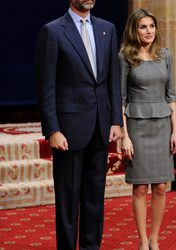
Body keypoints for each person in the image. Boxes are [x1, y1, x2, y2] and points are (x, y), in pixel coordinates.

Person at [35, 0, 122, 249]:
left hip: (100, 126)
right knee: (68, 200)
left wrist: (116, 119)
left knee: (95, 197)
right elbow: (46, 86)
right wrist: (52, 129)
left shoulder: (108, 28)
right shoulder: (52, 31)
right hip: (68, 131)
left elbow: (112, 80)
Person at [118, 8, 176, 250]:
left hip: (162, 125)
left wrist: (175, 131)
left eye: (151, 26)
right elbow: (121, 99)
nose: (149, 31)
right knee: (140, 187)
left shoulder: (164, 55)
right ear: (134, 30)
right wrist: (125, 135)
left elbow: (171, 95)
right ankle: (142, 241)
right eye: (143, 27)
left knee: (161, 186)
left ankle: (155, 239)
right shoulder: (125, 56)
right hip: (137, 126)